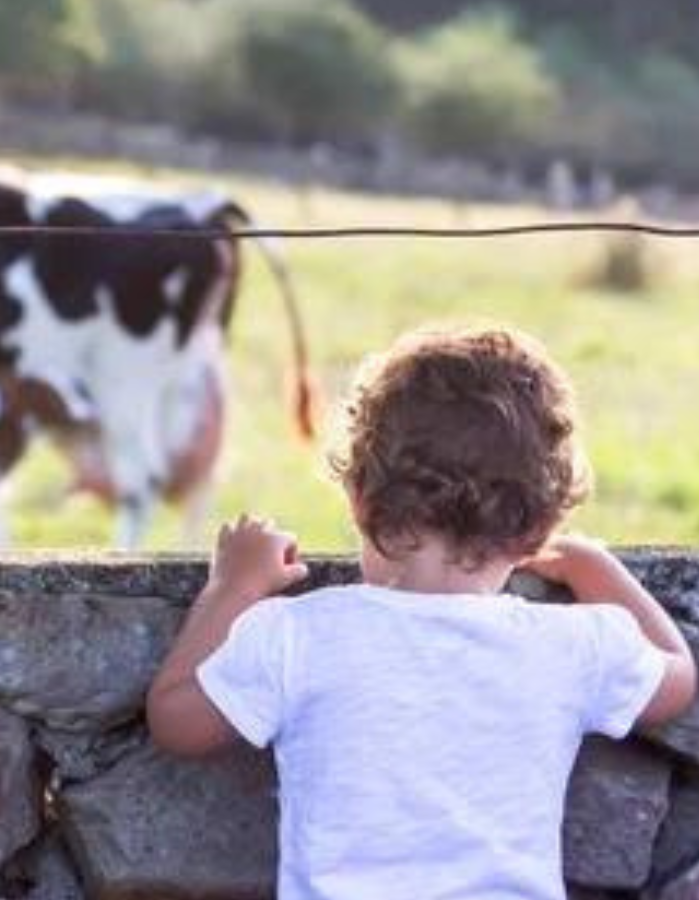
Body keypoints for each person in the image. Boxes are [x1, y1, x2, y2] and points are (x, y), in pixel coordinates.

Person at [147, 325, 696, 900]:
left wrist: (233, 587)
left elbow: (176, 722)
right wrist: (593, 567)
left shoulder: (300, 634)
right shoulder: (572, 645)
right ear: (538, 530)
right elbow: (677, 679)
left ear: (359, 498)